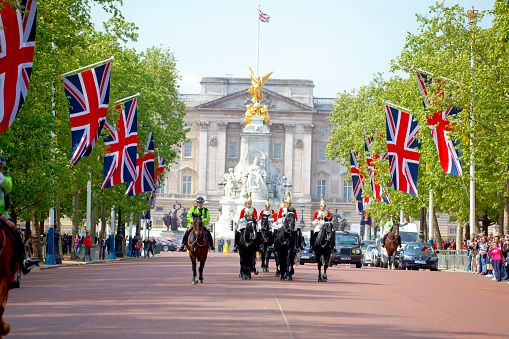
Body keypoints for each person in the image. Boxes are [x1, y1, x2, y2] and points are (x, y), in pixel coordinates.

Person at [0, 155, 39, 274]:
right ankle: (23, 261)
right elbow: (8, 187)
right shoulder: (2, 176)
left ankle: (23, 262)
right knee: (15, 233)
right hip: (0, 214)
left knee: (15, 233)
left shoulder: (3, 176)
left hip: (1, 214)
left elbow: (8, 188)